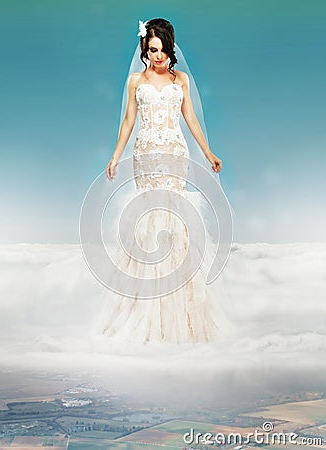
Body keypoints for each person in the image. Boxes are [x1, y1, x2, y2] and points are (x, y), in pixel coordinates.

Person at [96, 18, 232, 344]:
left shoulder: (180, 80)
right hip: (146, 155)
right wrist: (115, 156)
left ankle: (184, 320)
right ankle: (144, 316)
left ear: (171, 48)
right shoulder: (134, 82)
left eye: (163, 50)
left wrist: (209, 152)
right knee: (146, 225)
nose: (158, 56)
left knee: (177, 224)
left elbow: (191, 119)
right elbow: (129, 120)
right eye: (152, 50)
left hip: (174, 153)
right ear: (145, 49)